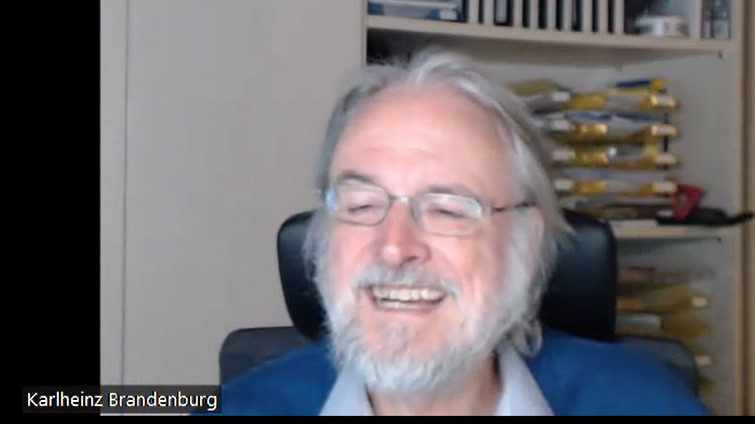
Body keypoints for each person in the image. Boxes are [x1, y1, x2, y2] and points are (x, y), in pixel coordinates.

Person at [220, 48, 708, 416]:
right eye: (362, 204)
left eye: (448, 210)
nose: (394, 248)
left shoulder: (650, 402)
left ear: (526, 239)